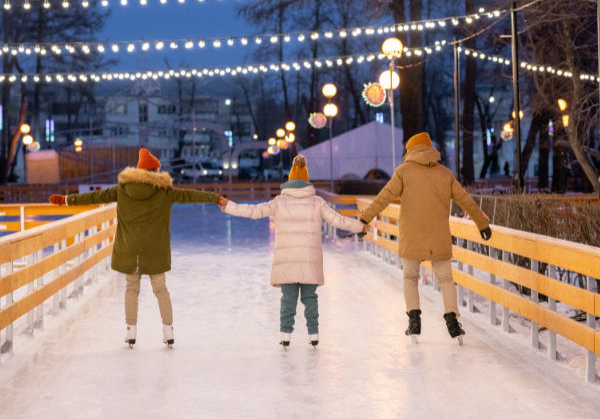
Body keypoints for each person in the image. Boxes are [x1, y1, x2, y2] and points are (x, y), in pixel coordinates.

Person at [49, 149, 222, 348]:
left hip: (130, 248)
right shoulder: (165, 191)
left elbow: (95, 197)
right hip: (155, 249)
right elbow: (191, 195)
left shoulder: (122, 189)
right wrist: (215, 198)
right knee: (160, 289)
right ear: (156, 171)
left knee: (132, 288)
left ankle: (131, 332)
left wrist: (66, 200)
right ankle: (168, 330)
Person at [218, 155, 369, 349]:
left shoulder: (279, 202)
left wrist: (229, 206)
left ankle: (285, 335)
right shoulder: (317, 202)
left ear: (289, 180)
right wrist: (360, 226)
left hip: (287, 260)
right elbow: (339, 220)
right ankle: (313, 334)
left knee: (288, 298)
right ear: (306, 181)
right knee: (310, 298)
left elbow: (254, 211)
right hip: (309, 260)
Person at [359, 133, 492, 344]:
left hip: (412, 236)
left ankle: (414, 321)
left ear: (411, 150)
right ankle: (453, 321)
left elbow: (383, 197)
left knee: (410, 278)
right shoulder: (445, 174)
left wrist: (365, 218)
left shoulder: (403, 172)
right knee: (446, 279)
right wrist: (482, 225)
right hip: (439, 237)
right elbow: (466, 201)